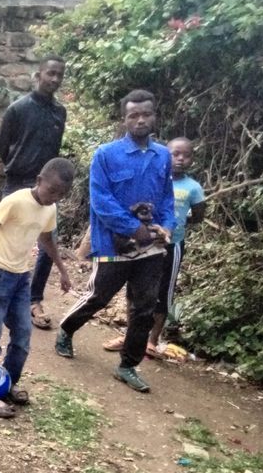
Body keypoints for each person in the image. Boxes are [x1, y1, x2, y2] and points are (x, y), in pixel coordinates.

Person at [55, 89, 175, 393]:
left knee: (144, 307)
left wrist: (166, 227)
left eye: (146, 114)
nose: (140, 120)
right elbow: (101, 201)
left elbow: (166, 197)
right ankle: (67, 329)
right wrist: (133, 228)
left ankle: (128, 365)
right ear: (124, 120)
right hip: (113, 243)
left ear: (154, 117)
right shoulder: (106, 155)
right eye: (133, 115)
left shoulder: (163, 155)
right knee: (99, 297)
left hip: (151, 247)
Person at [0, 158, 75, 418]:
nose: (54, 198)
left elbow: (47, 239)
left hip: (21, 277)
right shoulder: (16, 201)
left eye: (61, 195)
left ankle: (7, 383)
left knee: (22, 334)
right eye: (51, 191)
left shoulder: (50, 208)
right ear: (39, 181)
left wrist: (63, 270)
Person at [104, 136, 206, 356]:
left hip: (171, 246)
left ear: (192, 159)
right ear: (164, 155)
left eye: (186, 155)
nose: (180, 159)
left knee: (163, 291)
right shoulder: (153, 179)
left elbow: (198, 216)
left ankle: (151, 341)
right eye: (175, 154)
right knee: (135, 290)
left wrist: (175, 225)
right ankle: (131, 337)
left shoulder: (193, 188)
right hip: (144, 245)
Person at [0, 56, 68, 330]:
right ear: (38, 75)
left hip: (47, 188)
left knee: (48, 243)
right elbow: (2, 146)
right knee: (10, 238)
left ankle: (34, 299)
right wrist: (19, 166)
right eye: (50, 73)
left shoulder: (59, 112)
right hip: (18, 182)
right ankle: (1, 290)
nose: (55, 79)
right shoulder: (18, 109)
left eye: (59, 75)